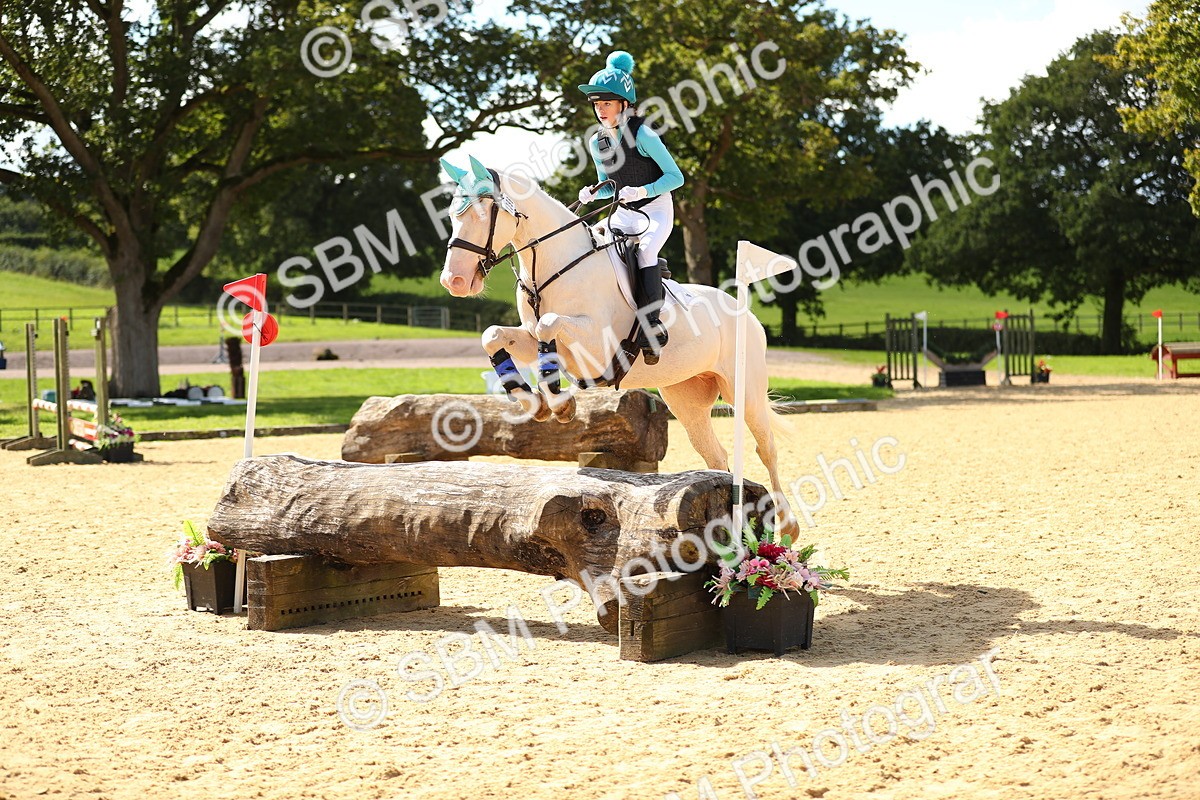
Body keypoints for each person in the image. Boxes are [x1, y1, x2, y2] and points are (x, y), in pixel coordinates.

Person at [577, 50, 684, 365]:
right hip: (624, 212)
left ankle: (652, 326)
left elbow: (676, 177)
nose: (600, 110)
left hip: (655, 209)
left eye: (606, 103)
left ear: (624, 104)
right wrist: (591, 193)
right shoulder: (598, 142)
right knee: (593, 246)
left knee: (646, 252)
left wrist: (644, 190)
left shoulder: (645, 134)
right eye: (597, 105)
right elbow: (609, 185)